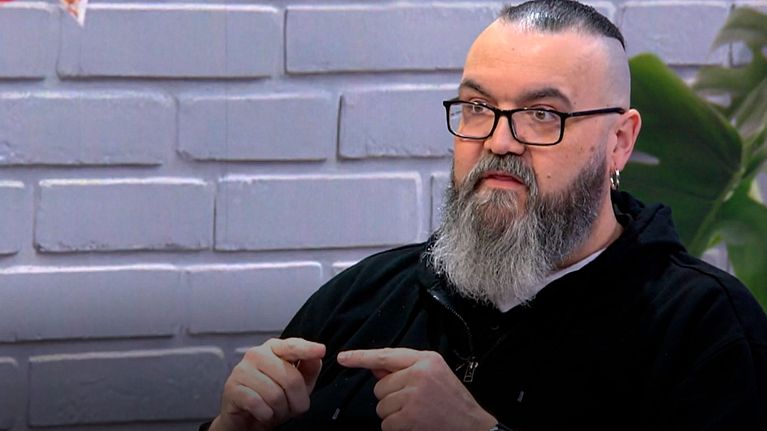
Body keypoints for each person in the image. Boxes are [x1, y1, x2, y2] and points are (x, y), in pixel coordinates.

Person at [203, 1, 767, 430]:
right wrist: (235, 426)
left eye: (542, 114)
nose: (499, 141)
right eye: (478, 107)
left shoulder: (704, 328)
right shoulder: (367, 295)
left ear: (619, 141)